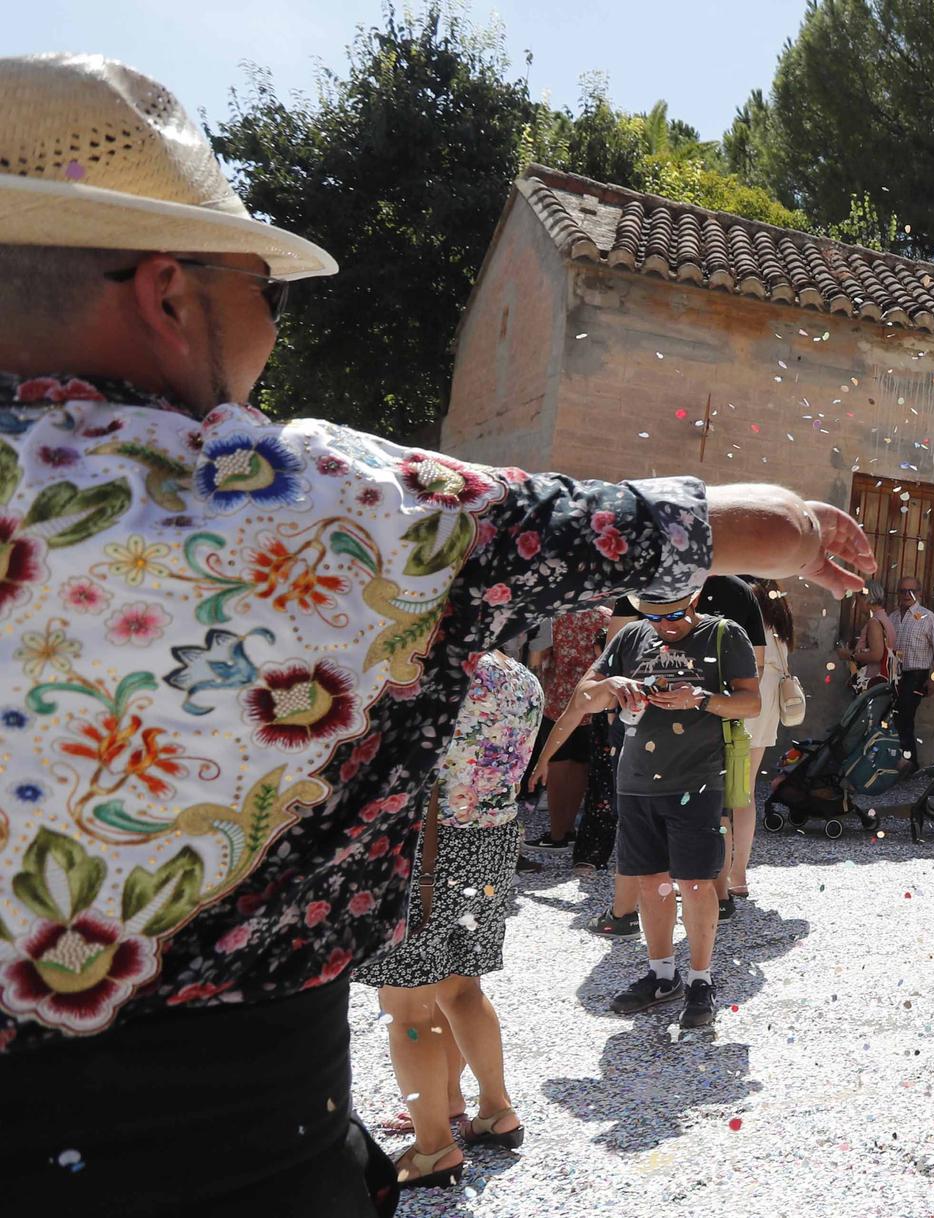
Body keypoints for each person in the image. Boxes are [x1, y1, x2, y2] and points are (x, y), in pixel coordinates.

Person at [0, 53, 874, 1215]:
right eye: (264, 286)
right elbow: (688, 527)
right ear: (168, 292)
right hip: (233, 1155)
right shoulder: (334, 502)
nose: (272, 317)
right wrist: (802, 531)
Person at [357, 650, 542, 1187]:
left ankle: (434, 1146)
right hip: (487, 845)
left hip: (422, 851)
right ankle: (492, 1110)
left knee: (407, 1009)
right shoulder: (516, 675)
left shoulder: (417, 673)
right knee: (461, 989)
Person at [562, 584, 759, 1028]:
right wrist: (612, 685)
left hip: (698, 780)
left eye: (673, 616)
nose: (664, 626)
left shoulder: (724, 635)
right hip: (635, 783)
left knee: (694, 884)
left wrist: (701, 699)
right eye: (654, 618)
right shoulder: (630, 638)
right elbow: (584, 696)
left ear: (693, 601)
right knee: (651, 884)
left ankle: (701, 979)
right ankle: (661, 973)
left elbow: (751, 702)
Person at [694, 575, 767, 922]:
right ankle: (726, 888)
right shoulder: (743, 593)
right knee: (733, 797)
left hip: (673, 718)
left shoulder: (662, 579)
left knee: (669, 803)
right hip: (728, 715)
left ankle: (683, 885)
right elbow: (760, 665)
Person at [523, 605, 615, 852]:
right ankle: (570, 829)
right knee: (580, 765)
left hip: (557, 701)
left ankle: (556, 833)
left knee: (556, 766)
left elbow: (537, 657)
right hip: (591, 701)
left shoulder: (554, 615)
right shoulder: (607, 617)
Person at [732, 578, 797, 905]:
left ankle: (717, 873)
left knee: (723, 791)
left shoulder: (744, 599)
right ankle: (738, 875)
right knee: (744, 792)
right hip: (766, 703)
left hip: (745, 699)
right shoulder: (779, 614)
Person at [887, 574, 934, 765]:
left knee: (904, 718)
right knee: (895, 720)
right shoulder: (893, 617)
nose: (907, 594)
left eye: (911, 590)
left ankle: (910, 767)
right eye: (903, 590)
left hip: (915, 675)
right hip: (894, 675)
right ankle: (899, 764)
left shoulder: (927, 617)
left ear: (919, 593)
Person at [837, 584, 896, 690]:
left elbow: (876, 655)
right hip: (881, 681)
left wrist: (849, 655)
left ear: (866, 599)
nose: (858, 605)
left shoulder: (874, 622)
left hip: (872, 680)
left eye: (858, 600)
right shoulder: (885, 619)